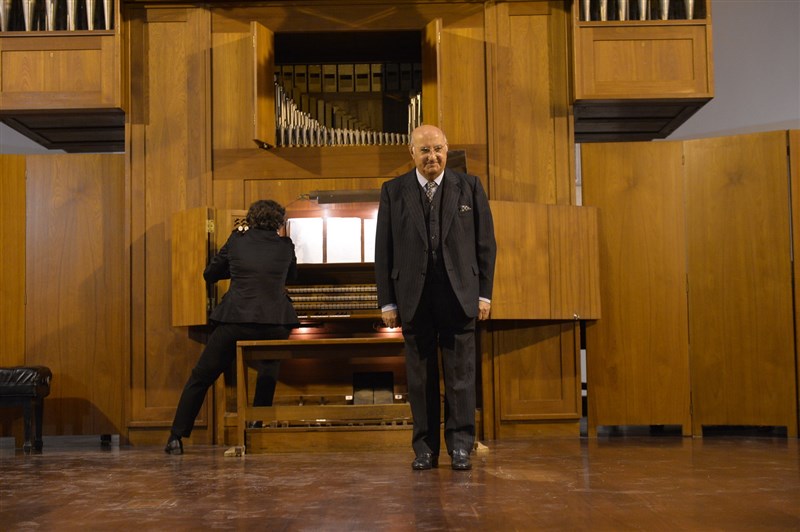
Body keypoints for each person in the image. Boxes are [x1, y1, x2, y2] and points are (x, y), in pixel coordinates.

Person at [374, 125, 497, 471]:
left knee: (461, 375)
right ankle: (424, 449)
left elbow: (486, 245)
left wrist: (484, 295)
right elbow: (383, 250)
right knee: (420, 378)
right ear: (411, 153)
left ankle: (460, 445)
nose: (433, 157)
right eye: (425, 150)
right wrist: (388, 302)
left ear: (447, 150)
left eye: (438, 149)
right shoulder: (393, 191)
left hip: (460, 296)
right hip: (413, 298)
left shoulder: (469, 188)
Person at [165, 199, 300, 455]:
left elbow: (210, 274)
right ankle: (256, 426)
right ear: (279, 223)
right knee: (268, 372)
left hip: (236, 319)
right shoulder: (286, 245)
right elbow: (292, 276)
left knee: (202, 376)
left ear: (250, 219)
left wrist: (238, 272)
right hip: (275, 322)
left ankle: (176, 437)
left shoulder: (237, 240)